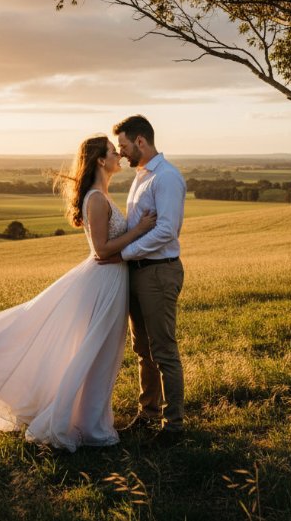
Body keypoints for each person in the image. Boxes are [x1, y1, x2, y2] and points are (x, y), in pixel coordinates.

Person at [0, 135, 155, 452]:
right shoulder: (96, 199)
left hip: (111, 280)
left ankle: (90, 423)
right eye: (113, 152)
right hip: (102, 283)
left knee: (102, 355)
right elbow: (100, 250)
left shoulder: (103, 195)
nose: (118, 157)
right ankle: (84, 427)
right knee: (93, 354)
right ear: (100, 159)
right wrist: (139, 231)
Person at [101, 115, 187, 447]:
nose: (120, 153)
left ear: (140, 141)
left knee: (163, 349)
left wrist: (123, 254)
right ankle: (149, 413)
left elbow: (167, 230)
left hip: (158, 271)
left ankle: (173, 425)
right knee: (142, 350)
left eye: (122, 145)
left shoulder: (166, 178)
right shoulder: (141, 177)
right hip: (138, 272)